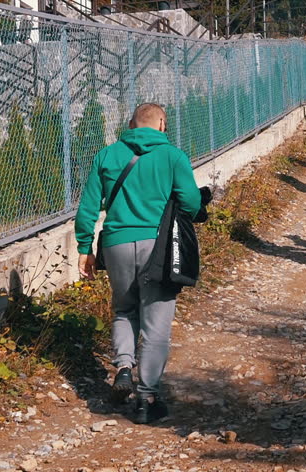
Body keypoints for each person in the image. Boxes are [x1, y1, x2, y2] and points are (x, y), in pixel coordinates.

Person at [75, 103, 204, 424]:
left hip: (115, 244)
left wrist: (83, 247)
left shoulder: (107, 155)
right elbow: (190, 203)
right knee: (156, 324)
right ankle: (148, 396)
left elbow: (88, 206)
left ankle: (122, 367)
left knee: (124, 309)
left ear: (132, 124)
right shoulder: (173, 156)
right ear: (162, 123)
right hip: (156, 246)